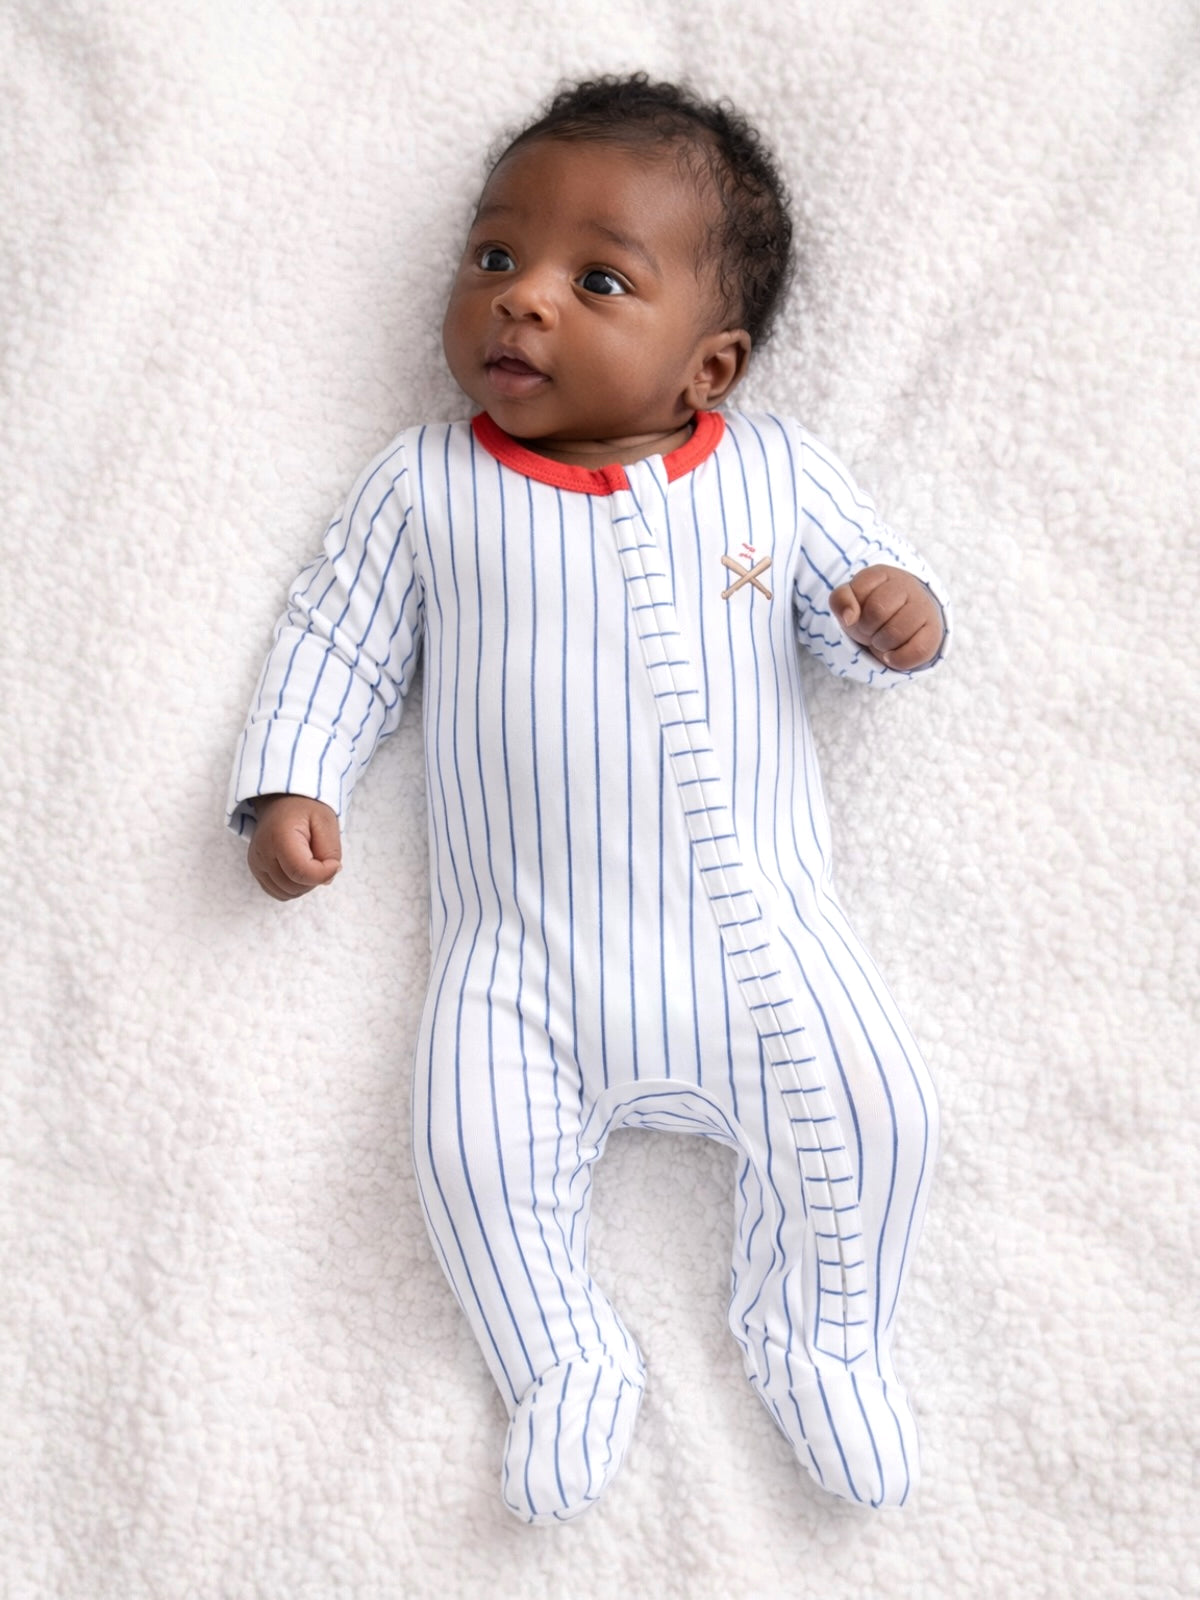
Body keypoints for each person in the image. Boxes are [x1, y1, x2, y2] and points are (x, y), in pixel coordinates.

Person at [227, 74, 949, 1525]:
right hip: (522, 966)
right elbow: (336, 637)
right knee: (467, 1153)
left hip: (762, 940)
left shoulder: (779, 478)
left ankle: (822, 1336)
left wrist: (896, 614)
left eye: (596, 278)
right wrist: (290, 779)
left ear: (711, 368)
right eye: (495, 258)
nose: (522, 302)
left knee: (879, 1112)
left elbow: (858, 626)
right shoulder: (424, 488)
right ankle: (560, 1357)